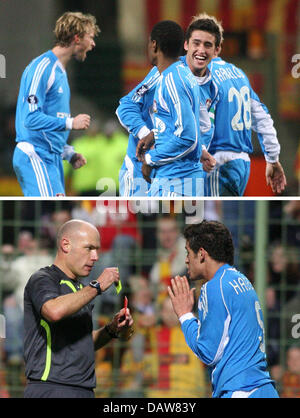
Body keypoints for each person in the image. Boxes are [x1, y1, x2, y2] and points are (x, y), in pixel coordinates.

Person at [167, 220, 279, 398]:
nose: (186, 260)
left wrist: (185, 315)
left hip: (240, 390)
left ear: (202, 254)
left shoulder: (214, 287)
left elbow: (209, 353)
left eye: (188, 253)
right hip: (264, 389)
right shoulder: (241, 280)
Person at [23, 219, 134, 398]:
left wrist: (111, 330)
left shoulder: (81, 290)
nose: (95, 256)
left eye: (97, 249)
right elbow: (53, 311)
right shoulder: (42, 279)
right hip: (52, 388)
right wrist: (97, 286)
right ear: (66, 245)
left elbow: (82, 342)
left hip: (84, 390)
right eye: (89, 248)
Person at [116, 16, 217, 197]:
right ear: (186, 45)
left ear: (216, 51)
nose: (201, 50)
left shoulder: (209, 87)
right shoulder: (162, 74)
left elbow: (191, 133)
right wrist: (147, 134)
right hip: (142, 167)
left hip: (172, 172)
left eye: (207, 45)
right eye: (196, 43)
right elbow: (126, 106)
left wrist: (200, 149)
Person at [13, 12, 100, 197]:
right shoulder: (42, 67)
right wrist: (70, 123)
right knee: (49, 211)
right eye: (90, 37)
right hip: (35, 155)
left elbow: (51, 121)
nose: (93, 44)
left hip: (51, 158)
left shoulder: (61, 72)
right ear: (77, 38)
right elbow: (30, 118)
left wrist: (68, 153)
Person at [199, 14, 287, 196]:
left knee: (210, 216)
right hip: (241, 163)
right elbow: (263, 118)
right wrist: (272, 158)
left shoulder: (201, 76)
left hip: (215, 159)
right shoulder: (239, 75)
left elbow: (203, 122)